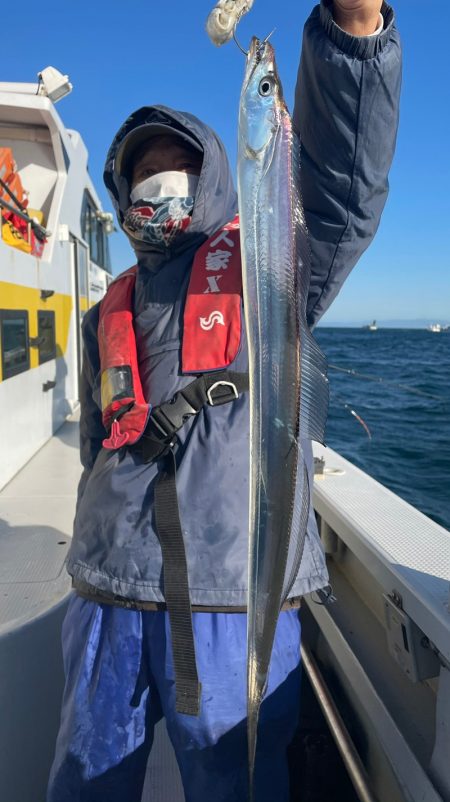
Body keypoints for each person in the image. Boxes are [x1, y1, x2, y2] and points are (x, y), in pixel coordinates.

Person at [47, 2, 402, 800]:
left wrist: (355, 33)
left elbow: (344, 186)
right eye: (143, 171)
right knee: (81, 780)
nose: (159, 183)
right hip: (105, 595)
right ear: (122, 189)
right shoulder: (109, 307)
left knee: (234, 782)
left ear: (214, 178)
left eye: (178, 165)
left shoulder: (270, 262)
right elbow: (96, 444)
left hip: (229, 598)